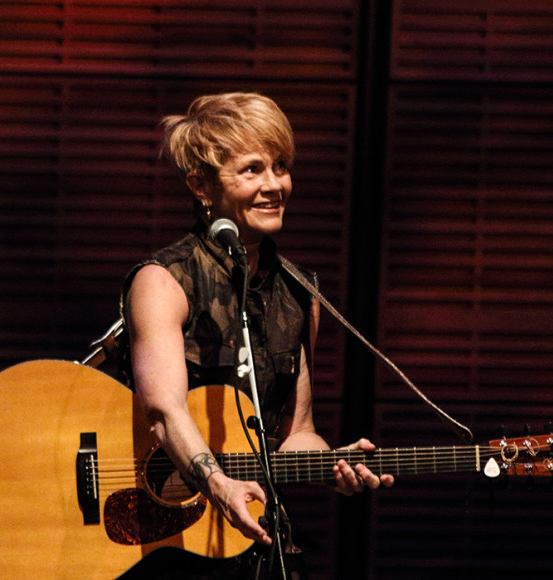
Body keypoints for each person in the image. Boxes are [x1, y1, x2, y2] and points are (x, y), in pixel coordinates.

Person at [119, 92, 394, 579]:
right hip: (166, 539)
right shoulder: (164, 280)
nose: (275, 185)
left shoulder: (299, 292)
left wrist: (331, 465)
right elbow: (163, 411)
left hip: (258, 537)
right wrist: (218, 483)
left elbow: (294, 434)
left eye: (281, 166)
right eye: (252, 170)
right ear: (201, 186)